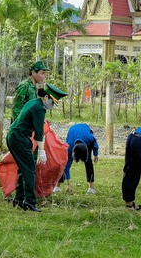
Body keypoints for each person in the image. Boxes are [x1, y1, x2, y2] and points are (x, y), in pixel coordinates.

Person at [7, 83, 67, 212]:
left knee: (23, 169)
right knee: (29, 170)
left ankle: (19, 199)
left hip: (14, 136)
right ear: (46, 97)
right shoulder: (39, 109)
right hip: (19, 138)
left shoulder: (34, 102)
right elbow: (39, 133)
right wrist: (41, 150)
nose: (52, 105)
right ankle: (29, 201)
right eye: (52, 101)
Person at [54, 123, 99, 194]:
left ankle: (91, 188)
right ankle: (57, 186)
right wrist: (69, 185)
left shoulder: (89, 137)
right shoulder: (69, 147)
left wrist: (96, 154)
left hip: (85, 131)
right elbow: (66, 167)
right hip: (73, 133)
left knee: (88, 162)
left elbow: (95, 143)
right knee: (64, 163)